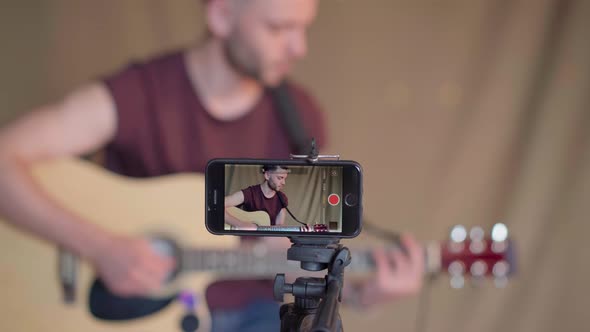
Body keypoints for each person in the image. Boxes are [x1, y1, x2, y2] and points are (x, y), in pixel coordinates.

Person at [0, 0, 424, 330]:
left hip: (260, 315)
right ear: (221, 15)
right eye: (280, 28)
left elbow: (290, 254)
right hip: (138, 317)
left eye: (304, 28)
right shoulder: (139, 93)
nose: (300, 48)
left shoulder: (299, 117)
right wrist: (101, 248)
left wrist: (364, 294)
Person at [225, 165, 290, 229]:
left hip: (268, 238)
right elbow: (217, 206)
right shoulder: (250, 193)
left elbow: (279, 226)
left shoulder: (282, 199)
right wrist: (240, 224)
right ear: (267, 175)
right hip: (246, 238)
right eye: (280, 178)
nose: (284, 182)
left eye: (285, 178)